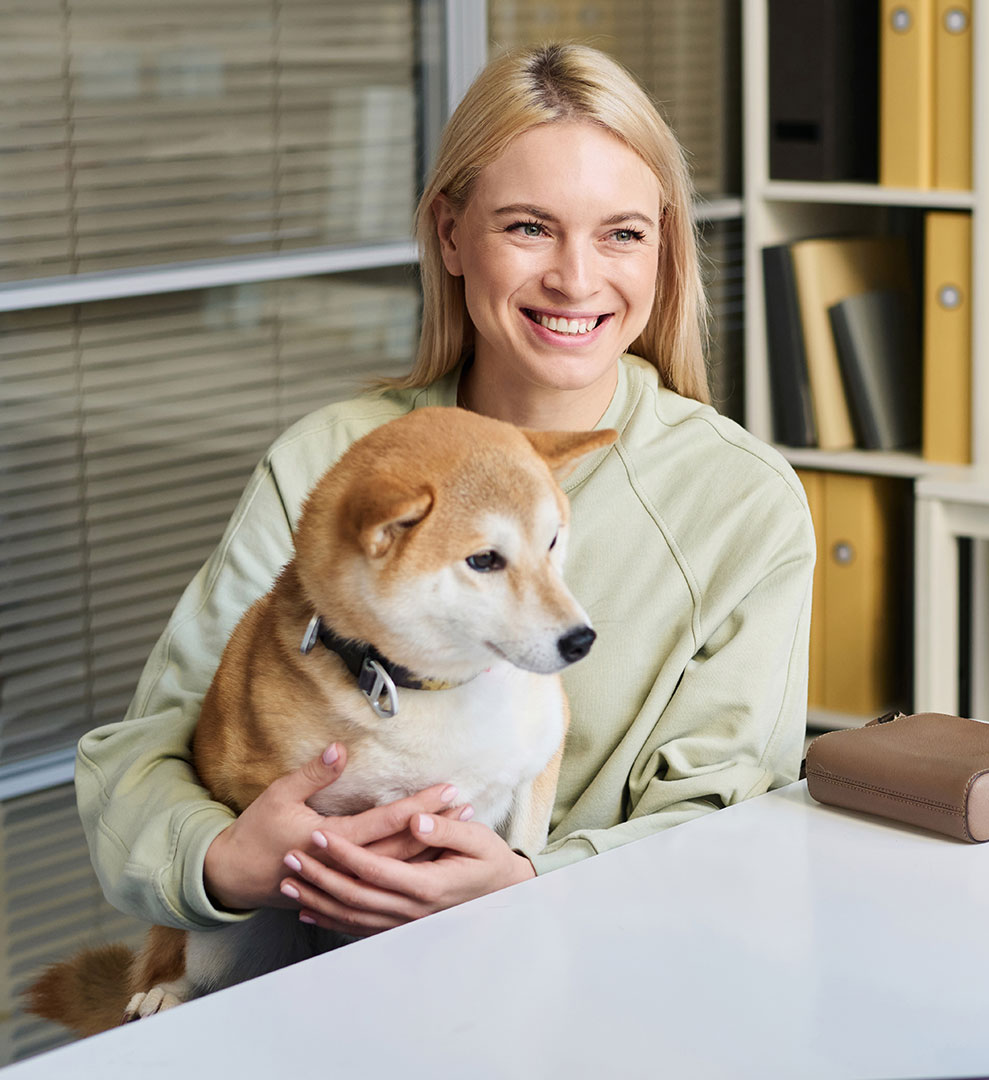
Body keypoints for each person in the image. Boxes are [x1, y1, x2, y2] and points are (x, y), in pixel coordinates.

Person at [76, 44, 813, 938]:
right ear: (450, 235)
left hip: (587, 980)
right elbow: (133, 767)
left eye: (622, 232)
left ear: (664, 248)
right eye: (528, 227)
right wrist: (223, 860)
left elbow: (733, 823)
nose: (576, 279)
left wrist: (528, 883)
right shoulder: (330, 466)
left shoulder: (741, 501)